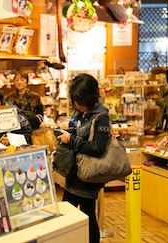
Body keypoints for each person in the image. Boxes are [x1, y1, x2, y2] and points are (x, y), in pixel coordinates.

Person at [57, 73, 110, 243]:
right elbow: (79, 132)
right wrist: (69, 127)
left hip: (87, 176)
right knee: (67, 213)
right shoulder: (81, 113)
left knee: (87, 217)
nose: (76, 104)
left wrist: (71, 140)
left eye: (78, 100)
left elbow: (97, 148)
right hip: (74, 172)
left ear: (89, 97)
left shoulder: (101, 117)